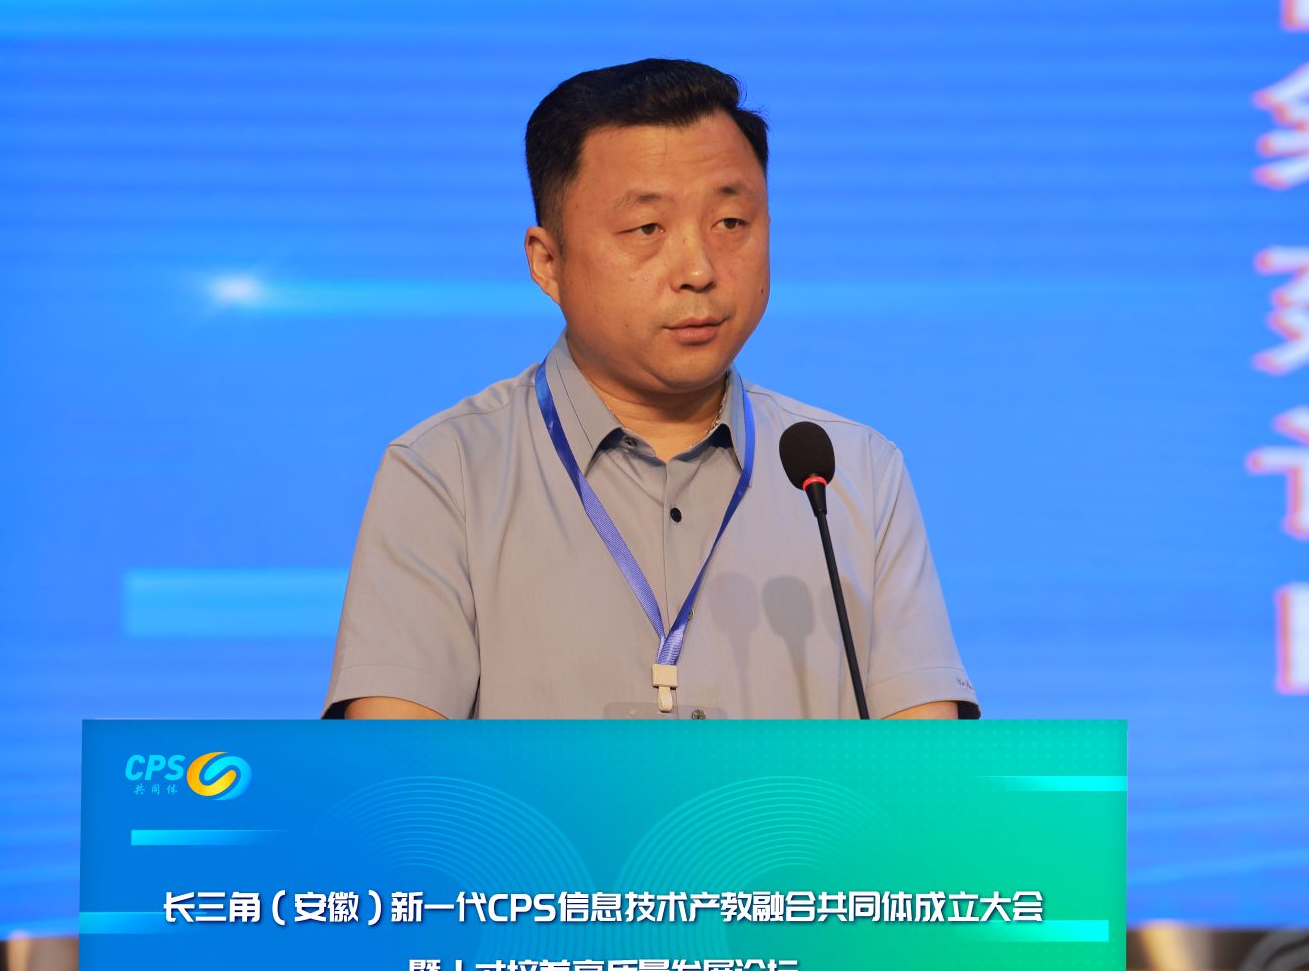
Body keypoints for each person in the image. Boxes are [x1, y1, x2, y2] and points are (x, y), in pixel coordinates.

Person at [324, 58, 976, 722]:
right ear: (548, 263)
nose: (698, 269)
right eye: (647, 230)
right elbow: (394, 770)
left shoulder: (851, 474)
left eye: (731, 223)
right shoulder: (446, 475)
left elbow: (925, 768)